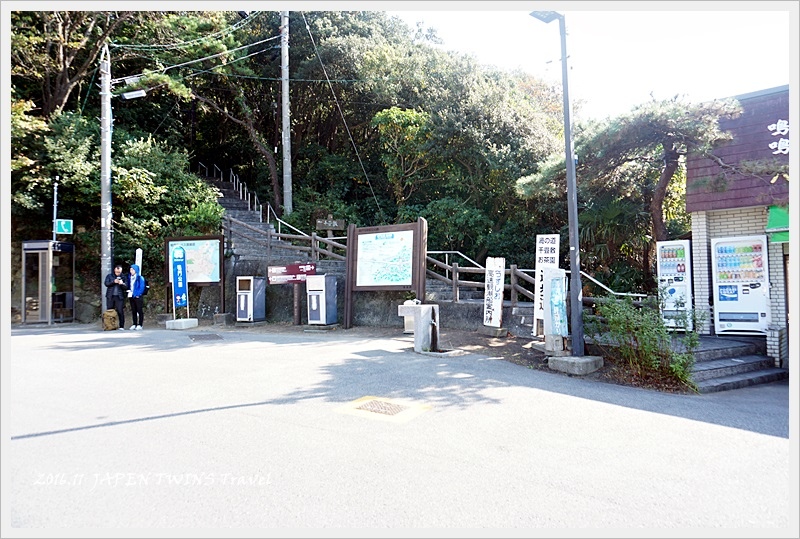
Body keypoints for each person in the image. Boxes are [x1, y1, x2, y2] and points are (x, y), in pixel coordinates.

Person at [104, 264, 128, 330]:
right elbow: (106, 283)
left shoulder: (124, 277)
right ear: (114, 270)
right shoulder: (110, 276)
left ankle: (121, 326)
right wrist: (113, 282)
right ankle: (109, 325)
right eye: (117, 272)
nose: (118, 273)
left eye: (119, 272)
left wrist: (122, 283)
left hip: (119, 297)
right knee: (109, 311)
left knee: (120, 311)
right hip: (110, 296)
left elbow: (126, 287)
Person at [127, 264, 146, 330]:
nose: (131, 271)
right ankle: (134, 324)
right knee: (133, 310)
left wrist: (138, 294)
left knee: (139, 310)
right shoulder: (129, 277)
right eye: (130, 269)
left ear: (136, 270)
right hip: (131, 295)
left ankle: (140, 324)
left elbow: (142, 287)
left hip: (138, 296)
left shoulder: (140, 278)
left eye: (132, 269)